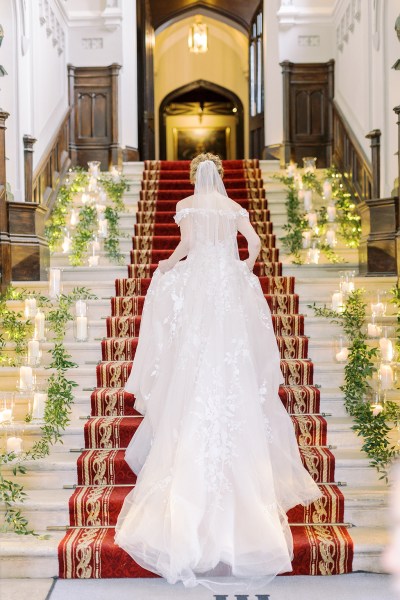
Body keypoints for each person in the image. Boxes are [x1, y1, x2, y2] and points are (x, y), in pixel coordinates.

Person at [114, 153, 322, 594]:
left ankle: (189, 503)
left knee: (193, 361)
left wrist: (168, 267)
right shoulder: (234, 209)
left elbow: (186, 248)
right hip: (228, 287)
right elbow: (258, 245)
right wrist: (244, 267)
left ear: (194, 176)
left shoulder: (187, 204)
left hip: (200, 288)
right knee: (235, 366)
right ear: (222, 177)